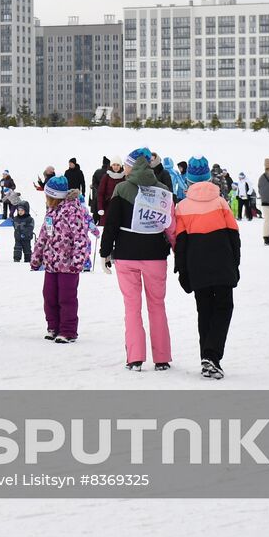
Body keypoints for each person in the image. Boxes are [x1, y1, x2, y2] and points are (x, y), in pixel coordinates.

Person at [99, 149, 175, 372]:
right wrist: (177, 249)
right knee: (157, 306)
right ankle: (162, 358)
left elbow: (111, 224)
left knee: (132, 308)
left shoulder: (122, 189)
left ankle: (135, 358)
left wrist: (105, 252)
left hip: (126, 255)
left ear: (132, 167)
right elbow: (171, 226)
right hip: (155, 256)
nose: (124, 169)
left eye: (126, 166)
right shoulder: (163, 191)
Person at [173, 157, 241, 380]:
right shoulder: (220, 202)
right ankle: (212, 356)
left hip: (196, 264)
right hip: (222, 262)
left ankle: (207, 357)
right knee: (224, 308)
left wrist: (182, 271)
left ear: (189, 179)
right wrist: (235, 263)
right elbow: (234, 236)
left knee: (204, 310)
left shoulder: (181, 207)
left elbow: (180, 244)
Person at [30, 175, 92, 344]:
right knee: (49, 295)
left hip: (69, 265)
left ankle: (68, 330)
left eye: (48, 196)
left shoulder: (73, 211)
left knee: (66, 298)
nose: (46, 199)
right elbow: (43, 235)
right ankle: (53, 326)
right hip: (51, 263)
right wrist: (36, 258)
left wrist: (78, 261)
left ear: (55, 196)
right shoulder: (51, 212)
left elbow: (81, 238)